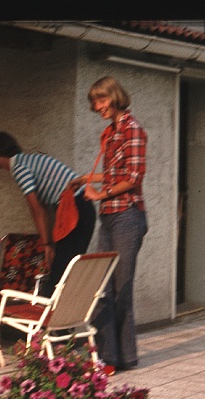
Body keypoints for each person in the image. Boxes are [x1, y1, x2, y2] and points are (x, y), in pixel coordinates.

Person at [67, 76, 148, 372]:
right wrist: (83, 179)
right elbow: (113, 174)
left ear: (114, 97)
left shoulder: (133, 130)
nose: (97, 106)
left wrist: (100, 193)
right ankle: (109, 357)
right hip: (109, 217)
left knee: (121, 287)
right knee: (102, 287)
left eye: (101, 100)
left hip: (128, 216)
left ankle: (122, 358)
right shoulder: (110, 133)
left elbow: (134, 177)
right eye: (94, 102)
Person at [0, 131, 96, 297]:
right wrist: (49, 240)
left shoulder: (19, 168)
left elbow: (36, 208)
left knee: (61, 273)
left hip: (75, 209)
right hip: (78, 208)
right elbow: (45, 208)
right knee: (66, 270)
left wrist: (46, 244)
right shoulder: (28, 161)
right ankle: (63, 319)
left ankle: (55, 320)